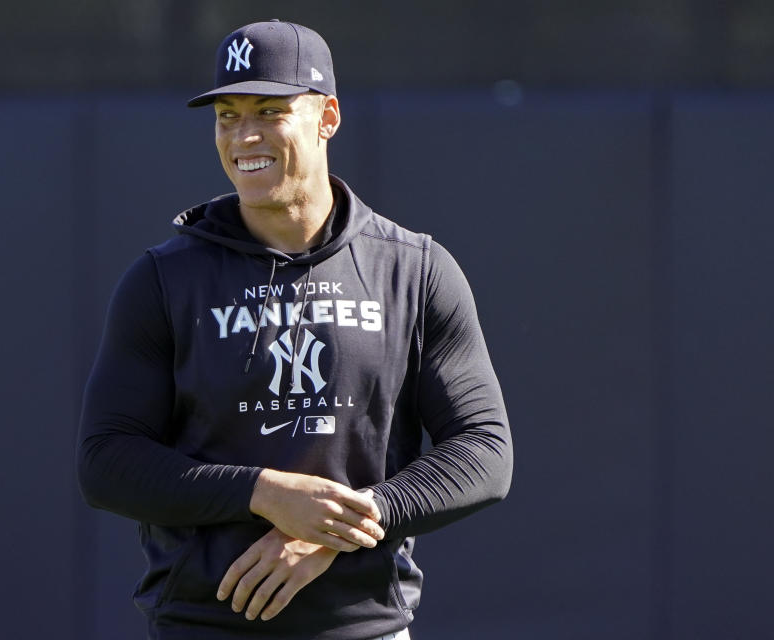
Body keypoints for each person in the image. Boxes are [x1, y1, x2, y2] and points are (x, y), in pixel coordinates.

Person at [77, 19, 512, 640]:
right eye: (226, 115)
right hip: (203, 625)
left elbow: (485, 450)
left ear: (327, 116)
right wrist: (262, 493)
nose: (243, 135)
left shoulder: (412, 269)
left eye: (269, 110)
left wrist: (342, 525)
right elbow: (107, 461)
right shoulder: (163, 280)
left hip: (364, 628)